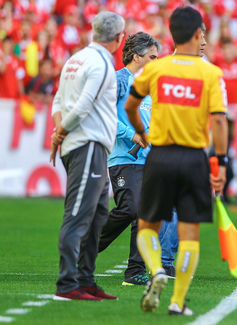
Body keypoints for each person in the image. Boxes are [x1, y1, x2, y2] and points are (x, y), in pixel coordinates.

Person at [126, 7, 228, 316]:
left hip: (159, 155)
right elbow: (220, 122)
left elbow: (131, 105)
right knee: (189, 235)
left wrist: (141, 132)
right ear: (198, 34)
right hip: (194, 158)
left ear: (171, 34)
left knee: (147, 225)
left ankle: (156, 268)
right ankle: (177, 300)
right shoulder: (210, 73)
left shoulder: (156, 69)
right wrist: (220, 164)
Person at [50, 11, 125, 301]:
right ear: (119, 38)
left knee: (96, 216)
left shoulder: (75, 59)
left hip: (85, 145)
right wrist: (62, 131)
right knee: (79, 215)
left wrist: (59, 127)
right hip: (88, 144)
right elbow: (83, 107)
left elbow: (59, 98)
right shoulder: (102, 63)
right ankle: (68, 284)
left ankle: (86, 279)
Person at [96, 32, 160, 287]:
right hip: (123, 156)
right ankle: (86, 246)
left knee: (144, 215)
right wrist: (132, 135)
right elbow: (107, 116)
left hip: (149, 159)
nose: (157, 61)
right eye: (153, 57)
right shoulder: (119, 80)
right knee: (130, 208)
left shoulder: (153, 84)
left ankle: (135, 272)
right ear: (137, 56)